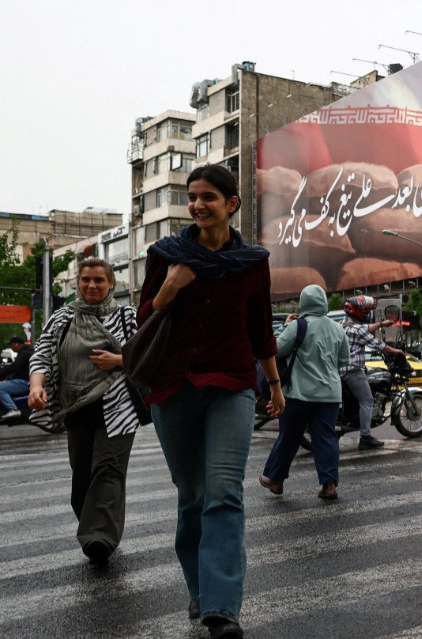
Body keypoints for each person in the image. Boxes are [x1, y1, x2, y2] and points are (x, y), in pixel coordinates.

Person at [138, 164, 284, 639]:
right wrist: (171, 286)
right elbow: (144, 317)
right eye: (192, 197)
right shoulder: (166, 254)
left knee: (224, 493)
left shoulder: (253, 260)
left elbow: (261, 326)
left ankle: (222, 610)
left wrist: (275, 385)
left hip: (232, 386)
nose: (198, 205)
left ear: (231, 205)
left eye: (208, 198)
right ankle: (200, 591)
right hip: (173, 387)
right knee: (193, 495)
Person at [26, 258, 142, 565]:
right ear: (78, 283)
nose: (92, 285)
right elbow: (42, 354)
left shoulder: (128, 316)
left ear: (111, 284)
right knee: (82, 477)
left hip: (118, 409)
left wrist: (119, 361)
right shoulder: (63, 318)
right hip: (75, 408)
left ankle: (100, 538)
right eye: (86, 280)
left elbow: (147, 353)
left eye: (99, 281)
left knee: (108, 470)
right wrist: (36, 386)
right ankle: (93, 527)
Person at [259, 284, 351, 500]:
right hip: (329, 394)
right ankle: (329, 485)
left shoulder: (298, 326)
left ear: (303, 303)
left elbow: (276, 349)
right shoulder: (337, 328)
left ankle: (275, 480)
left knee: (289, 436)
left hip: (298, 393)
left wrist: (284, 326)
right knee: (326, 437)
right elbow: (344, 360)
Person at [339, 296, 404, 449]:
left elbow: (366, 328)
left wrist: (381, 324)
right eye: (364, 311)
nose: (366, 314)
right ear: (358, 312)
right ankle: (365, 437)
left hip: (340, 370)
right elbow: (379, 345)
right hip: (353, 371)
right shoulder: (357, 330)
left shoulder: (343, 323)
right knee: (367, 400)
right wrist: (396, 351)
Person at [0, 335, 32, 421]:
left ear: (17, 344)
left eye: (11, 344)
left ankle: (13, 409)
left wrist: (1, 374)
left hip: (24, 382)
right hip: (24, 380)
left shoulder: (25, 353)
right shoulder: (25, 352)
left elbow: (14, 367)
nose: (10, 346)